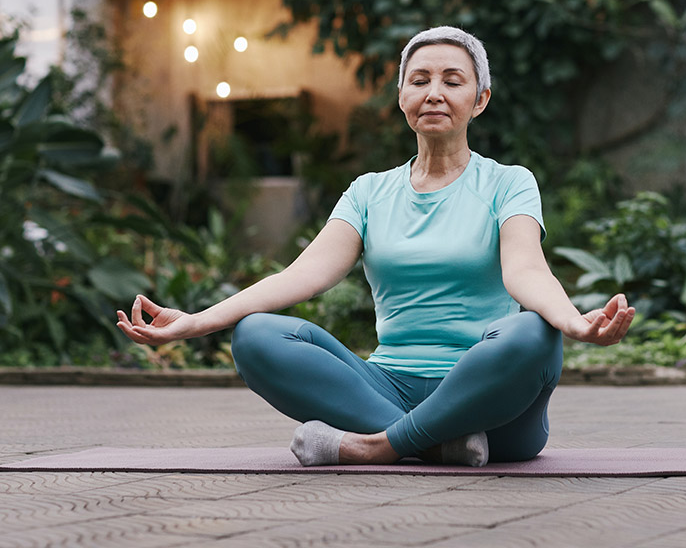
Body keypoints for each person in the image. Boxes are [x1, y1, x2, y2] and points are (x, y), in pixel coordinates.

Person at [116, 26, 635, 467]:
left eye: (453, 82)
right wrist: (197, 322)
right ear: (402, 96)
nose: (434, 93)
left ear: (480, 101)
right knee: (255, 336)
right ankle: (436, 443)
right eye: (420, 80)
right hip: (384, 386)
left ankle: (373, 448)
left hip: (493, 406)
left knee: (533, 334)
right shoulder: (369, 191)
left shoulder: (509, 183)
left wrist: (573, 322)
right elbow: (302, 276)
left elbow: (525, 270)